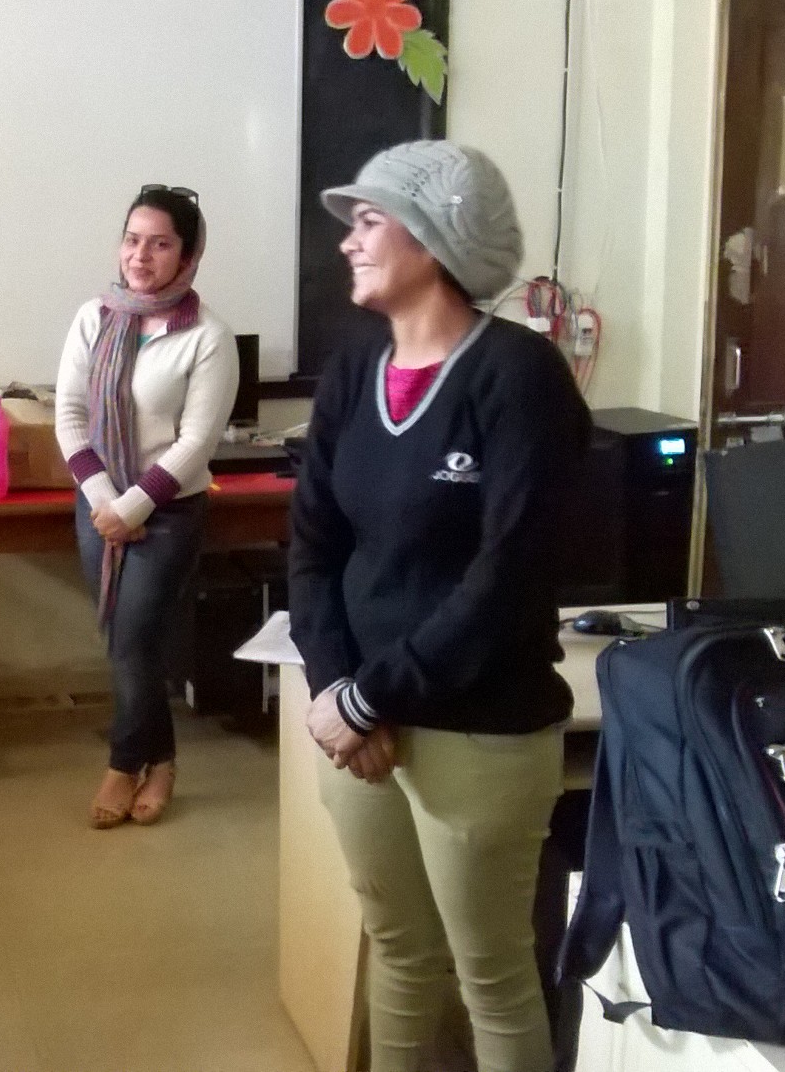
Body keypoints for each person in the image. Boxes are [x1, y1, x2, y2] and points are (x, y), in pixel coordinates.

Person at [289, 141, 591, 1072]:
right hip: (358, 725)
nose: (348, 242)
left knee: (490, 973)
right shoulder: (353, 369)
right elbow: (312, 548)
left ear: (433, 236)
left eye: (368, 221)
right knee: (400, 951)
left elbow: (508, 577)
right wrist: (338, 687)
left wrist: (370, 695)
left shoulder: (520, 375)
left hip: (478, 727)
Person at [56, 185, 238, 829]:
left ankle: (124, 762)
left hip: (168, 512)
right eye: (133, 240)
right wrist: (106, 502)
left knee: (134, 639)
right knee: (124, 641)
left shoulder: (208, 337)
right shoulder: (94, 318)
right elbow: (69, 415)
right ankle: (161, 762)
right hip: (98, 504)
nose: (140, 256)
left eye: (160, 244)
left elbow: (197, 442)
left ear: (187, 257)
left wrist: (133, 508)